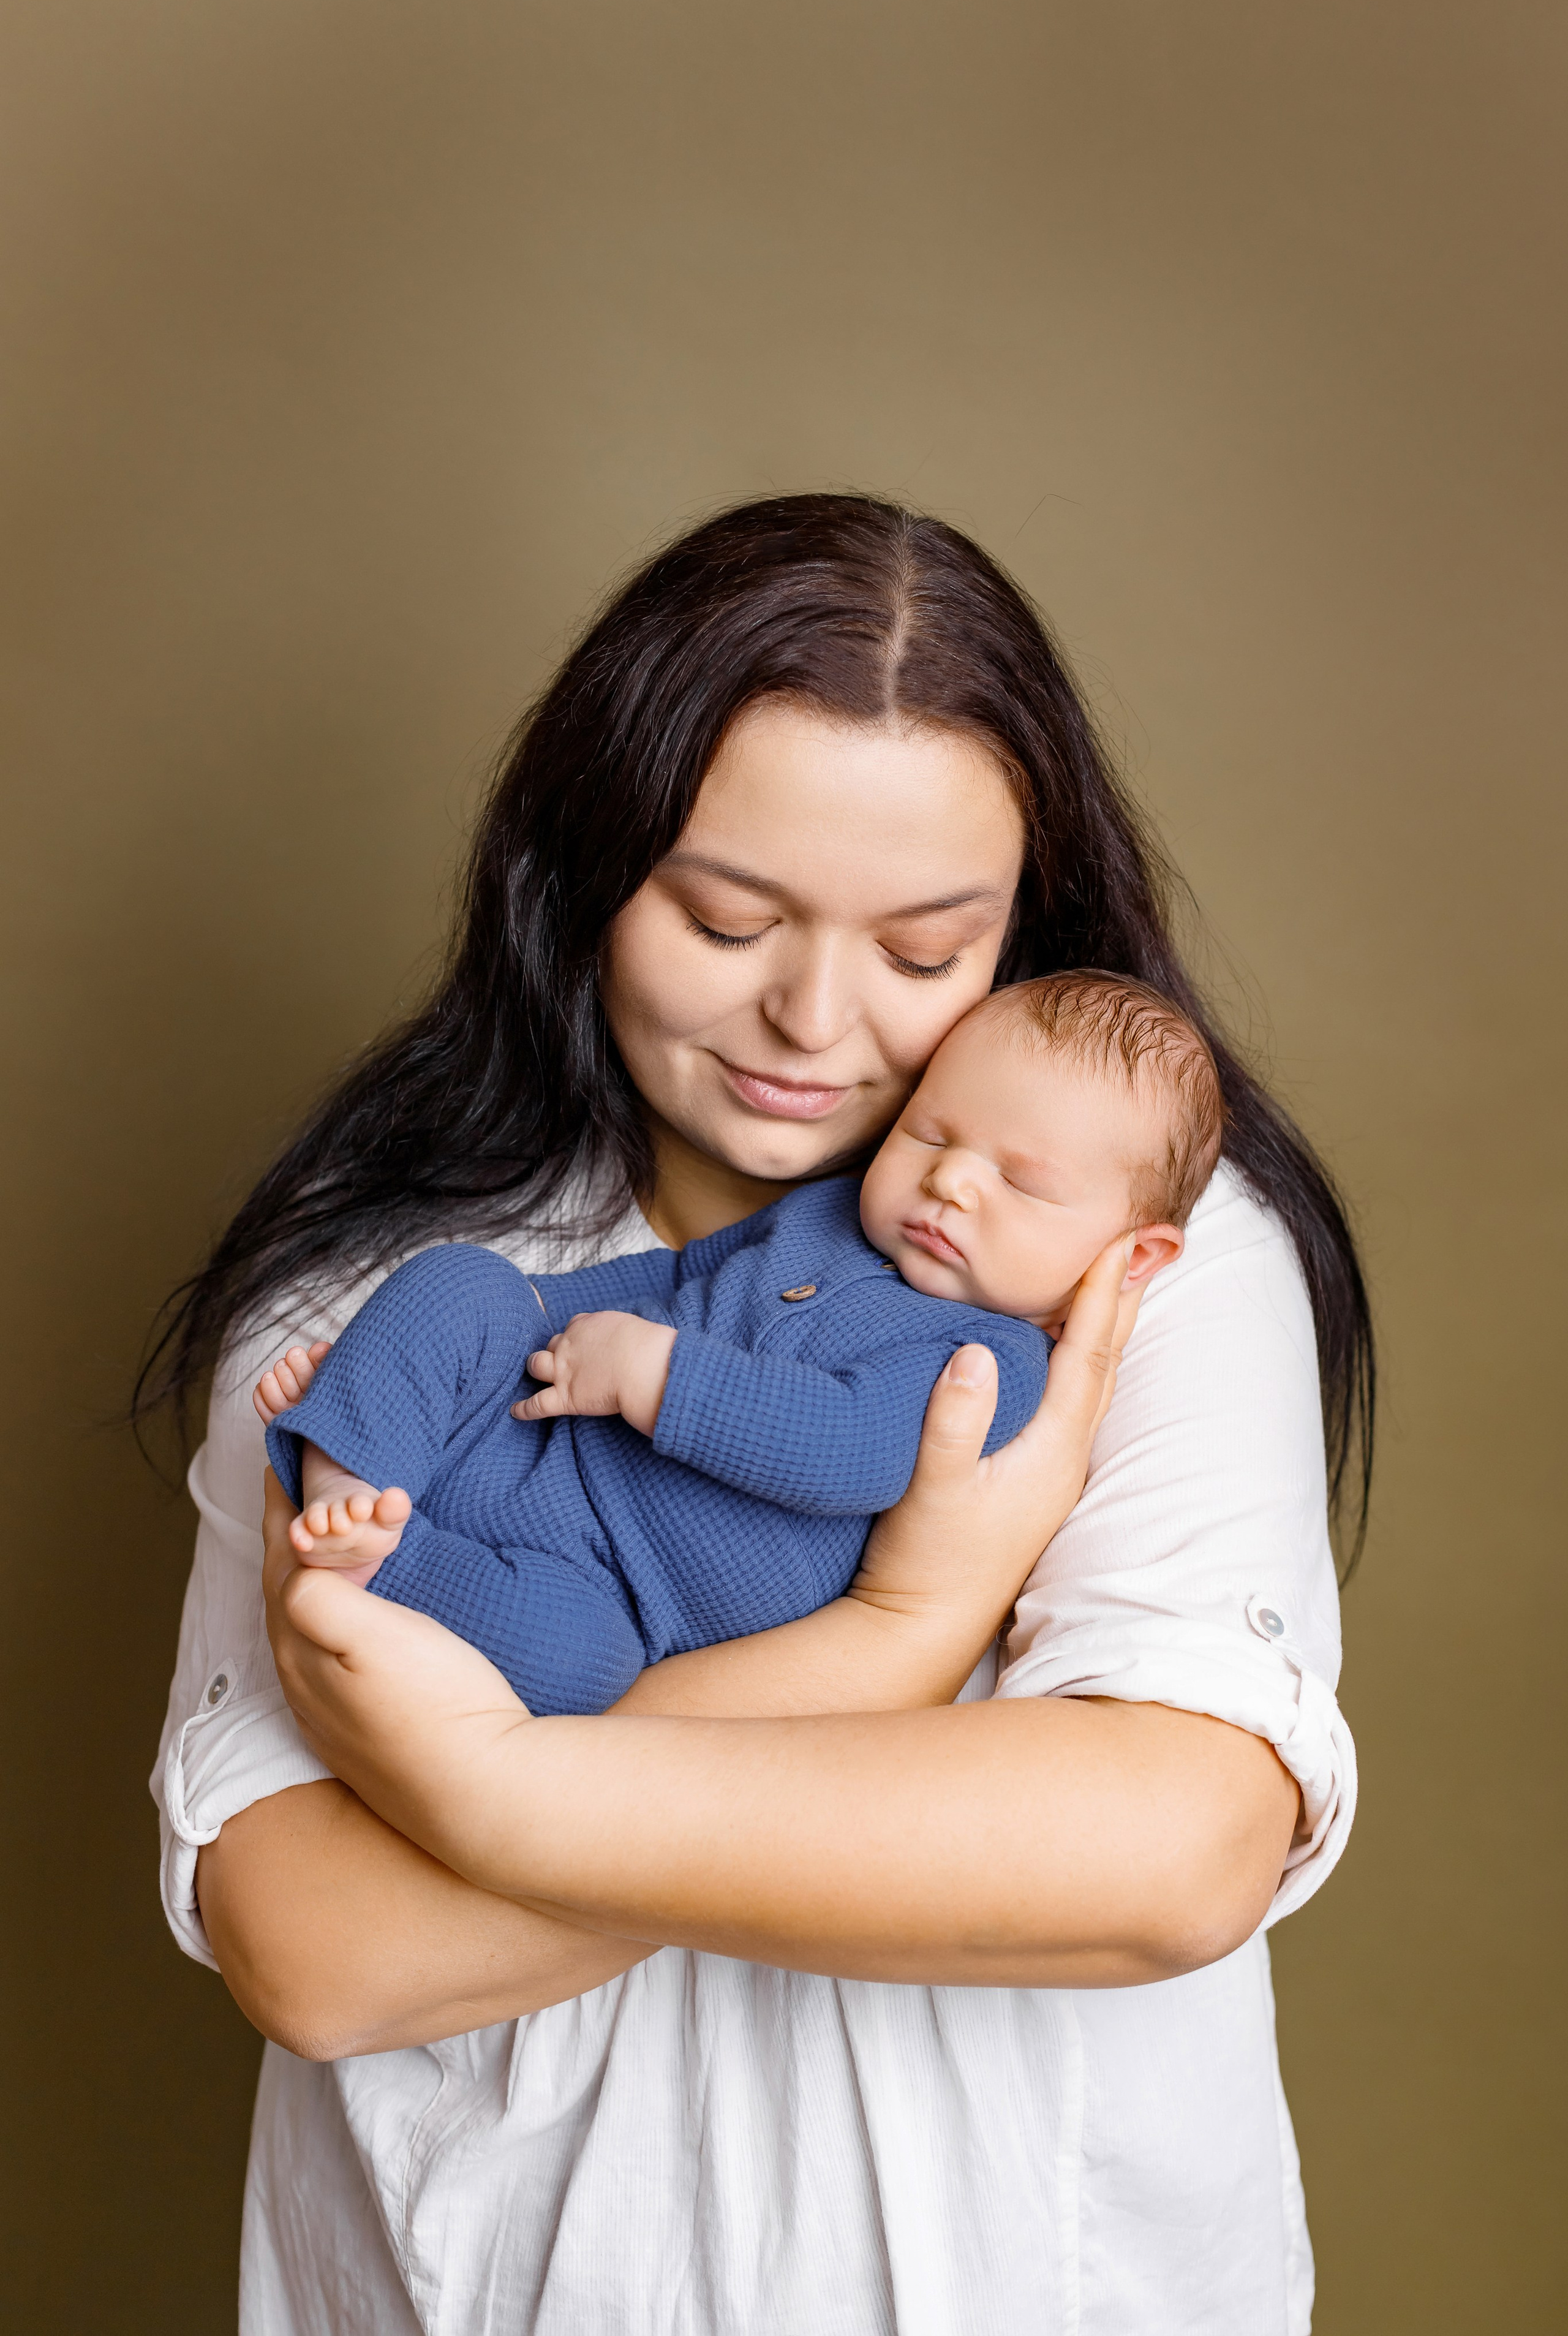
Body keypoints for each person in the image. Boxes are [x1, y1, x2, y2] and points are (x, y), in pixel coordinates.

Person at [143, 495, 1370, 2335]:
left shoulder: (1123, 1258)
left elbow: (1172, 1849)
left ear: (1022, 938)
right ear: (583, 869)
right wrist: (915, 1630)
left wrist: (479, 1789)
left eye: (925, 948)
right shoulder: (375, 1295)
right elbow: (324, 1951)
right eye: (728, 918)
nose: (812, 1017)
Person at [254, 972, 1217, 1717]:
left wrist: (661, 1376)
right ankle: (351, 1462)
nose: (952, 1183)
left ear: (1136, 1256)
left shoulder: (996, 1361)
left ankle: (389, 1557)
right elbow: (664, 1280)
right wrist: (511, 1323)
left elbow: (847, 1448)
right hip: (527, 1421)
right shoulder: (830, 1212)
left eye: (1023, 1182)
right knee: (462, 1281)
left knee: (577, 1668)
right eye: (931, 1134)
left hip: (617, 1585)